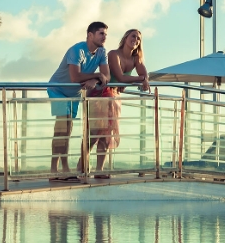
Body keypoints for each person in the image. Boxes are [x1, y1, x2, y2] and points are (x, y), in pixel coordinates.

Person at [47, 22, 110, 181]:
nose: (104, 37)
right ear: (90, 35)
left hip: (74, 94)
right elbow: (75, 77)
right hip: (58, 90)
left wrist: (96, 80)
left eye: (105, 34)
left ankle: (63, 169)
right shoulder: (77, 50)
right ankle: (56, 170)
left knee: (67, 130)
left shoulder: (102, 52)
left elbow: (106, 77)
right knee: (61, 129)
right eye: (101, 33)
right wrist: (96, 76)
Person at [87, 29, 149, 167]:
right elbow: (121, 77)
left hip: (114, 97)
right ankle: (81, 165)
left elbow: (145, 75)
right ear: (126, 37)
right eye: (133, 36)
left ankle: (99, 169)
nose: (136, 40)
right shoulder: (114, 54)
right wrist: (138, 79)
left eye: (139, 39)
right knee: (94, 133)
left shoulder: (135, 58)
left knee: (107, 133)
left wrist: (141, 79)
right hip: (100, 94)